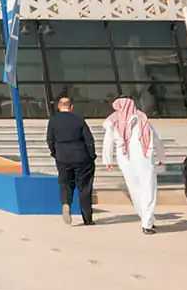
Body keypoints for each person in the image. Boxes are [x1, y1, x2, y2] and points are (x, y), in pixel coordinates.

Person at [101, 96, 164, 233]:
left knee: (134, 189)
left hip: (125, 160)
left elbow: (108, 143)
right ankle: (147, 221)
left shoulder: (114, 122)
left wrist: (108, 160)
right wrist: (160, 156)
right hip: (144, 158)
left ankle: (145, 218)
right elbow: (156, 139)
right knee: (148, 188)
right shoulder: (142, 119)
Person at [46, 96, 97, 225]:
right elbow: (89, 140)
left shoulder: (53, 121)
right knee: (84, 187)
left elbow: (50, 140)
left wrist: (55, 153)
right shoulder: (79, 120)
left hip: (63, 157)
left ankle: (66, 203)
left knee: (65, 183)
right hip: (81, 157)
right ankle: (87, 218)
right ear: (71, 107)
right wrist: (91, 155)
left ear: (58, 106)